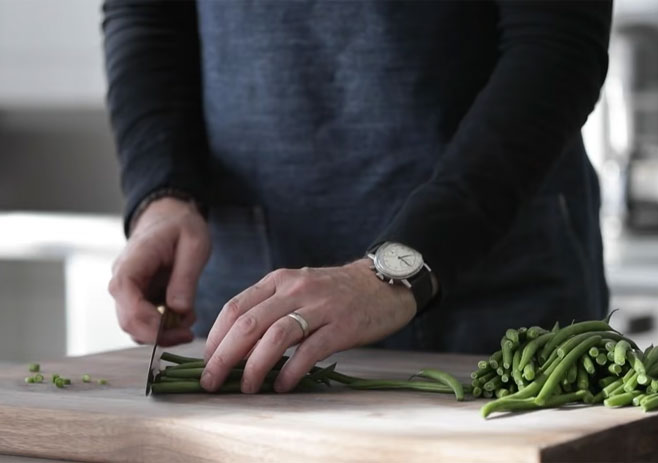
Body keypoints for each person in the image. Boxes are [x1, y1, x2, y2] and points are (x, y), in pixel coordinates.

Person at [104, 0, 612, 394]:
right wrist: (163, 195)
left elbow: (556, 43)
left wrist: (402, 268)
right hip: (246, 307)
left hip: (494, 294)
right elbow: (148, 20)